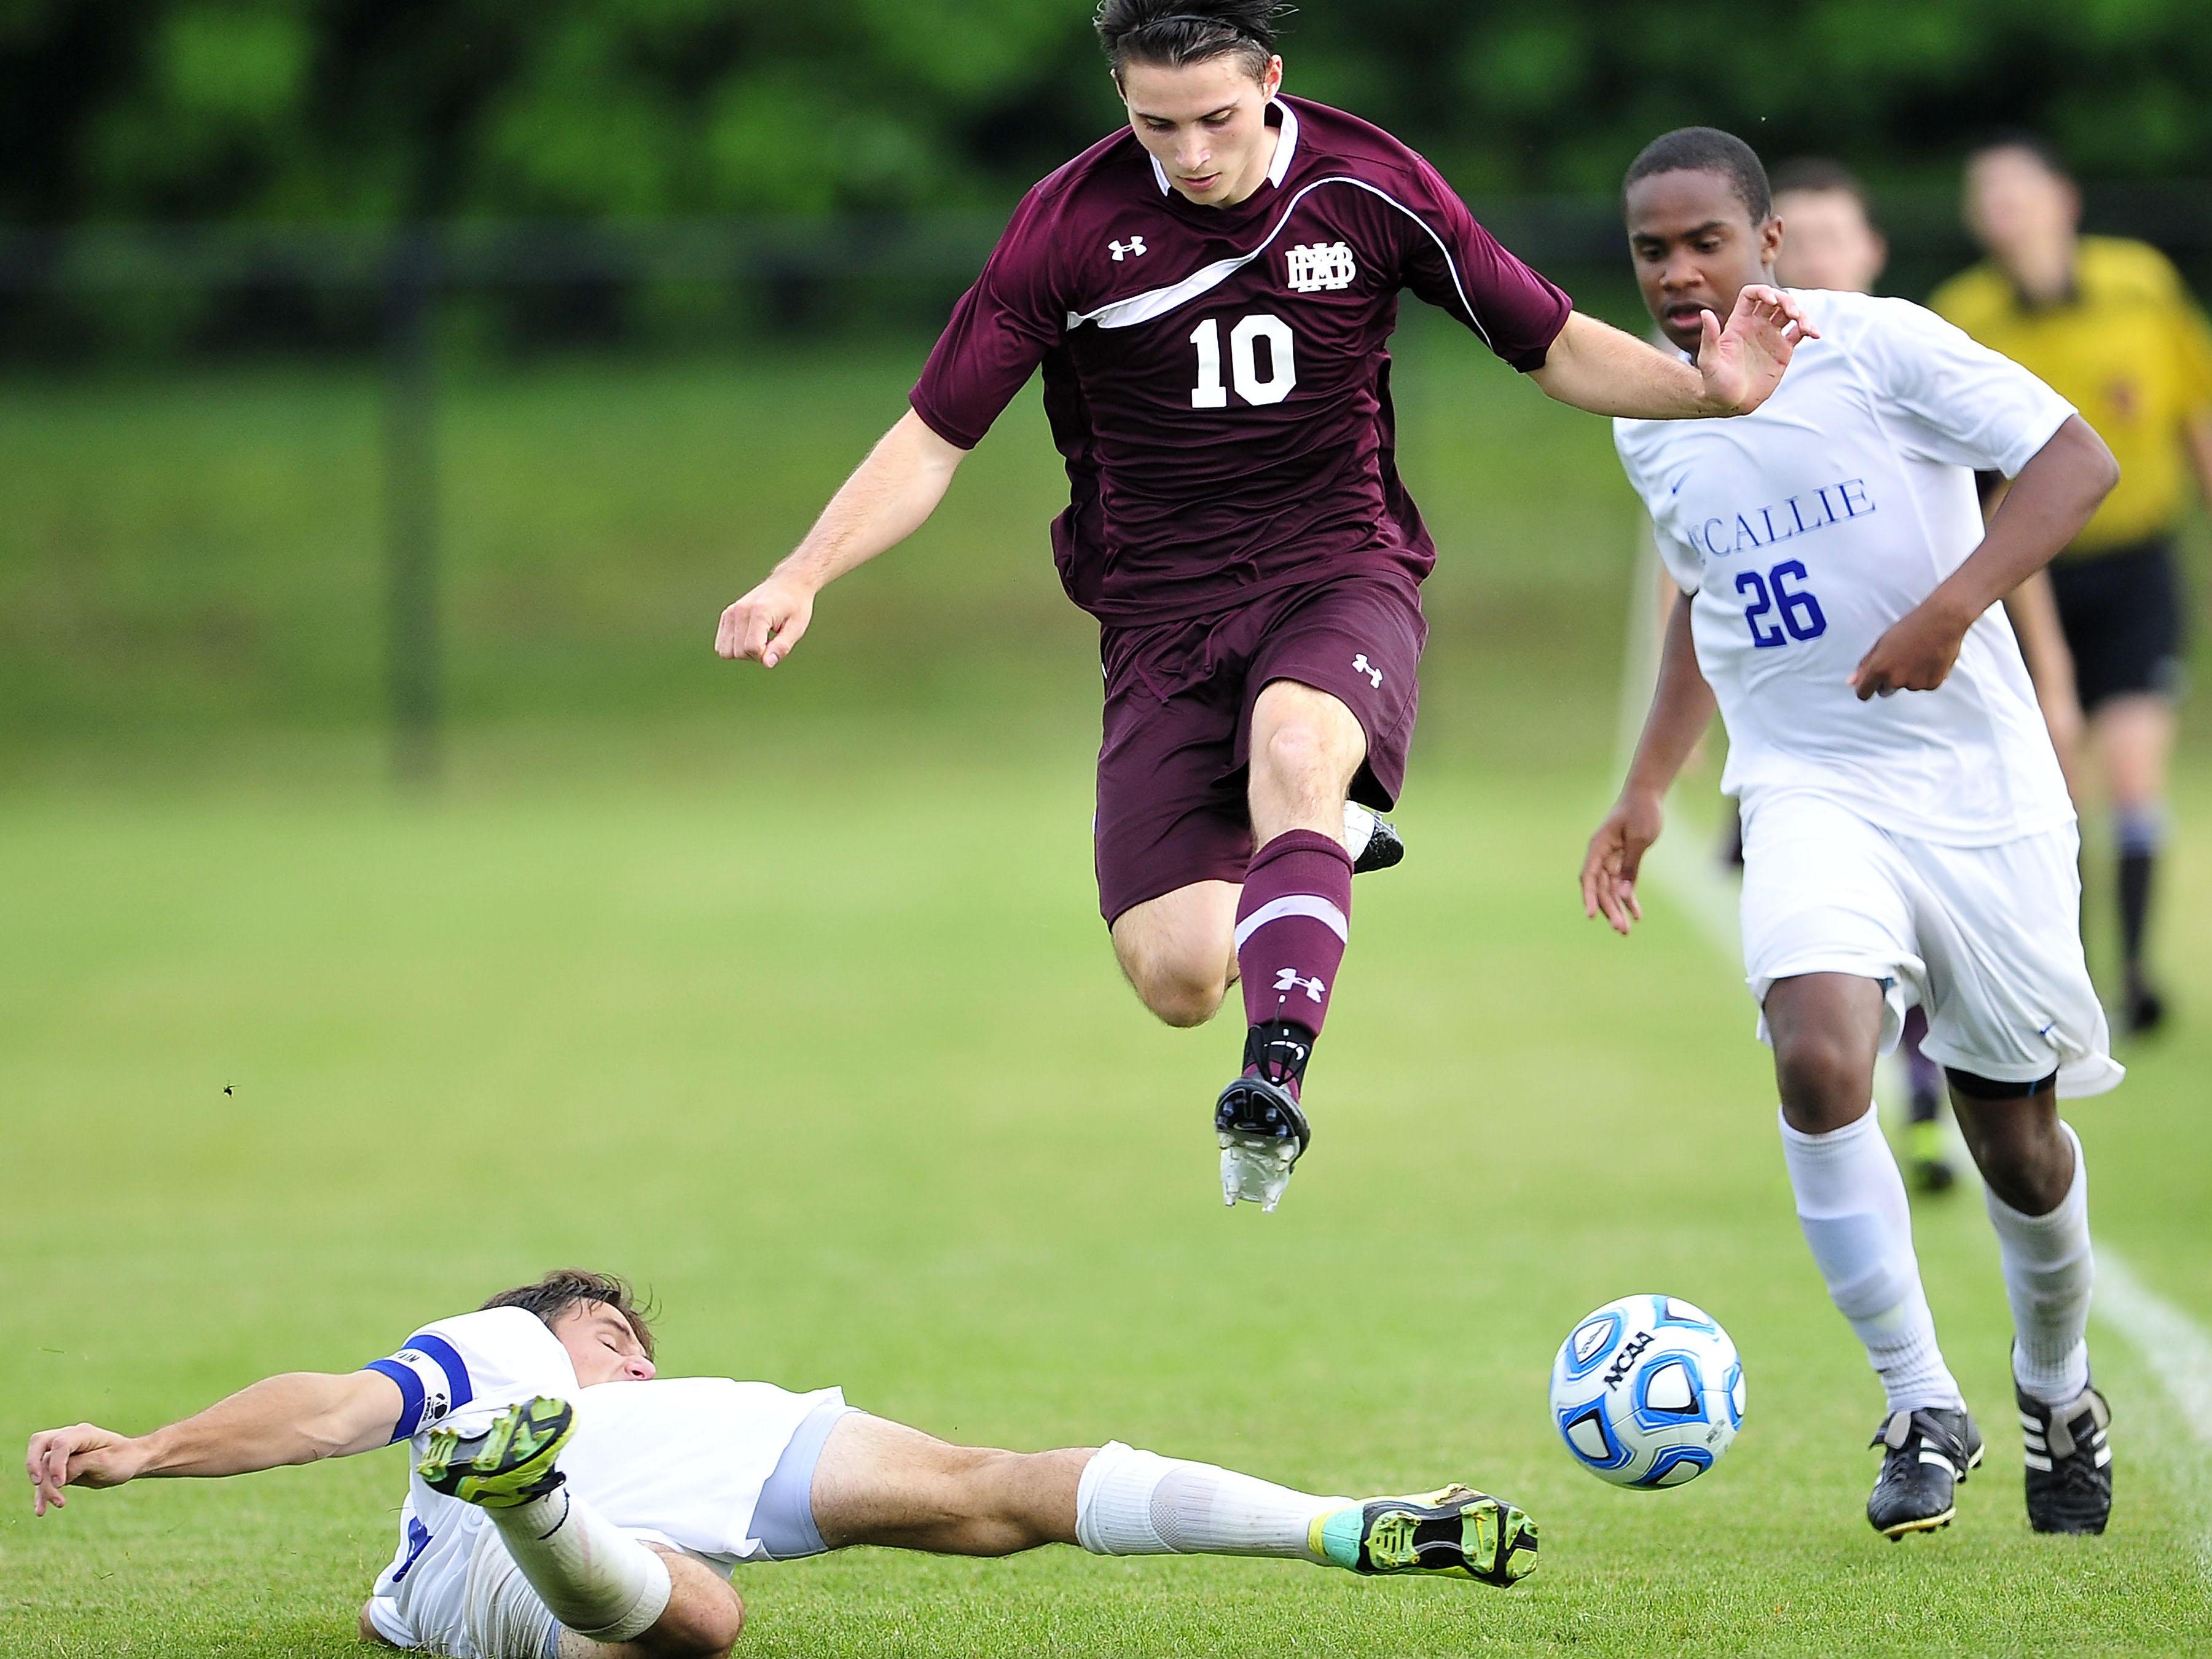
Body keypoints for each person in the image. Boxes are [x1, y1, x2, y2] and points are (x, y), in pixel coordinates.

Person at [710, 0, 1811, 1212]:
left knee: (1296, 744)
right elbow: (933, 440)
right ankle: (1318, 837)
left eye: (1216, 119)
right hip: (1158, 621)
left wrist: (1708, 396)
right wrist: (800, 570)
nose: (1187, 154)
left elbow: (1548, 343)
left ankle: (1272, 1086)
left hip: (1337, 569)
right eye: (1154, 125)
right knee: (1179, 975)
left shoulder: (1370, 183)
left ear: (1273, 81)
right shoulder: (1066, 228)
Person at [1582, 128, 2123, 1541]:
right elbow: (1708, 601)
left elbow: (2080, 460)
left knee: (2018, 1144)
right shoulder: (1652, 409)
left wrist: (1955, 608)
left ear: (1769, 242)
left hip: (1979, 794)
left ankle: (2057, 1389)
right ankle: (1918, 1400)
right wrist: (1648, 788)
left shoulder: (1881, 347)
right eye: (1653, 250)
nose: (1681, 273)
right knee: (1821, 1059)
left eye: (1707, 240)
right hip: (1806, 785)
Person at [26, 1269, 1539, 1658]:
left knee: (705, 1617)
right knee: (994, 1486)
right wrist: (153, 1447)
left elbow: (355, 1475)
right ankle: (1340, 1525)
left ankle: (538, 1496)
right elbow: (332, 1408)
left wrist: (147, 1455)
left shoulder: (421, 1541)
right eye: (619, 1331)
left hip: (518, 1547)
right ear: (568, 1325)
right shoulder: (502, 1346)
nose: (635, 1350)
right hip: (564, 1501)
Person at [1770, 155, 2087, 1194]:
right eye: (1796, 232)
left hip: (1966, 767)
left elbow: (2010, 515)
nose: (1815, 253)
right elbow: (1702, 583)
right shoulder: (1718, 390)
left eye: (1833, 234)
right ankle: (1909, 1112)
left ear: (1870, 250)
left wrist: (2035, 664)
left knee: (2019, 1134)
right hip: (1813, 760)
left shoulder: (1907, 350)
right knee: (1830, 995)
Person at [1934, 134, 2212, 1035]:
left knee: (2135, 773)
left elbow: (2194, 409)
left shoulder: (2141, 284)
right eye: (1988, 194)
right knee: (2062, 780)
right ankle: (2075, 977)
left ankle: (2134, 973)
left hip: (2135, 565)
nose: (2005, 207)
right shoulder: (1964, 316)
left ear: (2066, 199)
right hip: (2027, 574)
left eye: (2022, 189)